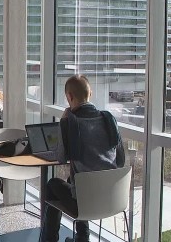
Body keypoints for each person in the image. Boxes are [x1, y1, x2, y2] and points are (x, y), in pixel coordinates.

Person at [43, 75, 125, 242]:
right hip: (113, 198)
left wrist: (63, 121)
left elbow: (60, 158)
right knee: (73, 179)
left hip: (86, 202)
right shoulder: (109, 119)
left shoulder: (70, 122)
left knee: (52, 184)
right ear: (90, 94)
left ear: (69, 97)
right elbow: (121, 160)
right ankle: (82, 238)